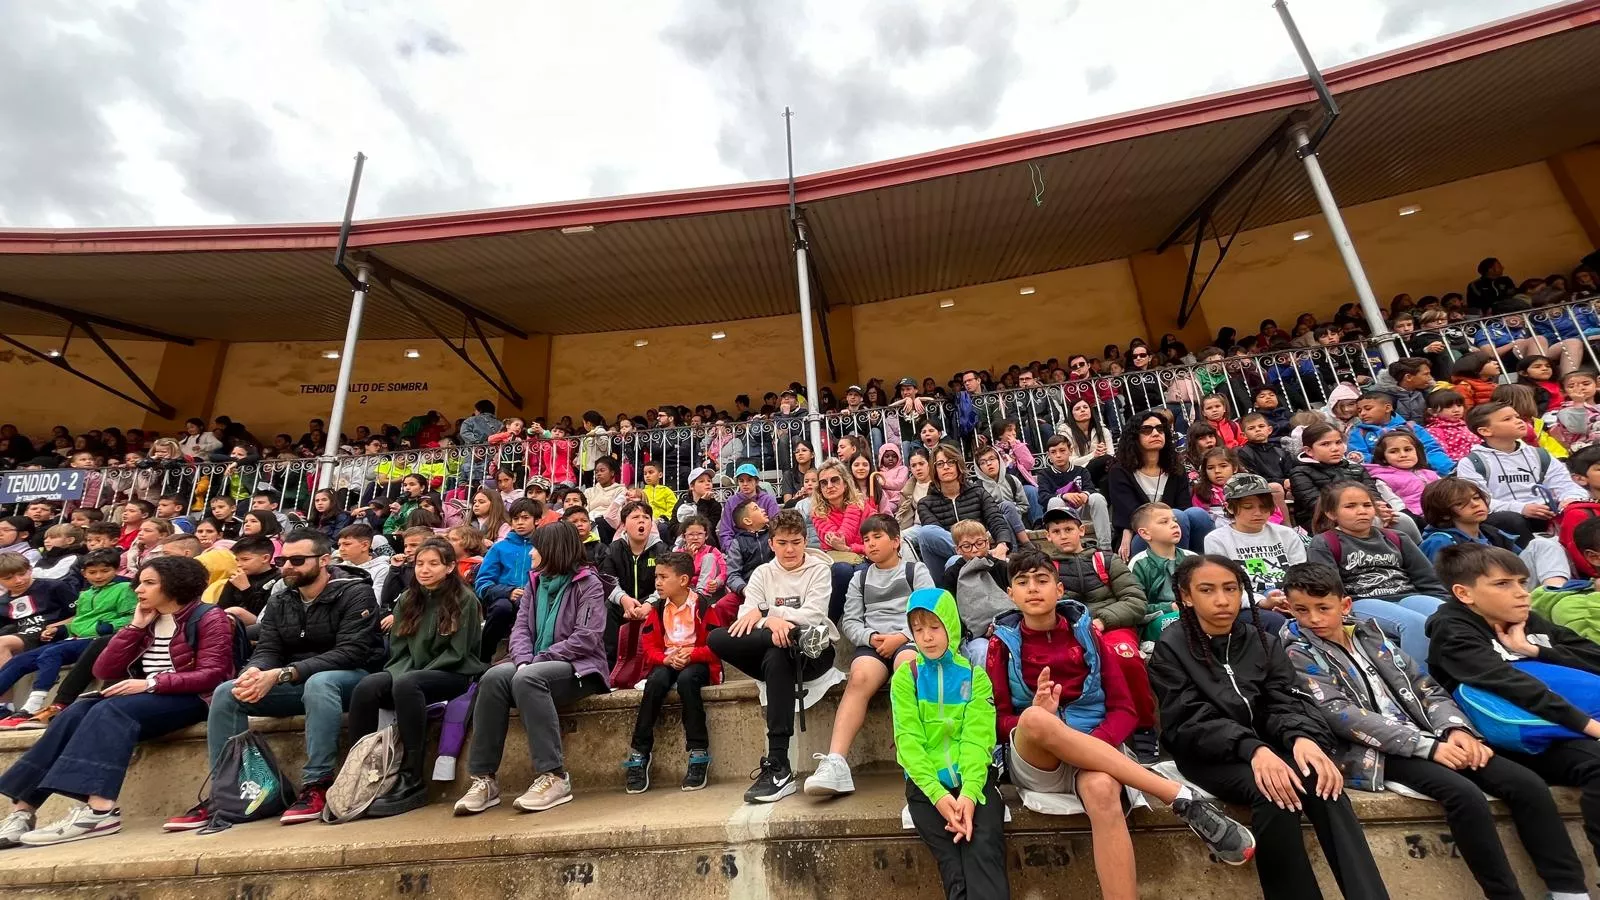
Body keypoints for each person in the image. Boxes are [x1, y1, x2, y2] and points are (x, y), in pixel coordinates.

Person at [1280, 561, 1589, 900]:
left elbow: (1426, 687)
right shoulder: (1295, 651)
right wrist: (1427, 747)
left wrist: (1457, 731)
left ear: (1345, 605)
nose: (1314, 619)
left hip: (1431, 736)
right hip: (1373, 752)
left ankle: (1568, 891)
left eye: (1323, 608)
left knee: (1526, 784)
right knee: (1463, 794)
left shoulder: (1371, 635)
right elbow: (1340, 714)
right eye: (1301, 611)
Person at [989, 547, 1254, 900]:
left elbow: (1124, 708)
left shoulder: (1089, 637)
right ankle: (1175, 796)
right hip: (1038, 758)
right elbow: (998, 720)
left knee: (1102, 791)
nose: (1033, 588)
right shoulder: (1001, 645)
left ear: (1060, 589)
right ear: (1011, 594)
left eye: (1042, 580)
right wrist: (1043, 717)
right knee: (1034, 717)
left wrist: (1092, 746)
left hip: (1097, 745)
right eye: (1022, 582)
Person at [1148, 554, 1388, 900]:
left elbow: (1285, 701)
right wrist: (1253, 749)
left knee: (1324, 783)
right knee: (1275, 794)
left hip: (1269, 746)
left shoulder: (1262, 639)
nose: (1221, 600)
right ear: (1186, 596)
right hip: (1208, 755)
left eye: (1231, 589)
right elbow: (1189, 721)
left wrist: (1302, 738)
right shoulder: (1172, 647)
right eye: (1207, 590)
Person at [0, 557, 234, 847]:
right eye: (139, 583)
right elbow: (104, 671)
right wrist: (135, 628)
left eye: (149, 583)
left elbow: (215, 674)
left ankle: (99, 811)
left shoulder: (209, 616)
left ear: (176, 585)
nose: (138, 590)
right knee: (74, 713)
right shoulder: (146, 619)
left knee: (109, 710)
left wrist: (151, 683)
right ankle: (23, 811)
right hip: (146, 696)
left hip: (193, 697)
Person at [167, 529, 386, 829]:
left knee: (320, 683)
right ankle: (230, 791)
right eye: (284, 560)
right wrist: (254, 672)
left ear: (324, 560)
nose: (288, 567)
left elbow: (352, 652)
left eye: (297, 560)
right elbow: (269, 648)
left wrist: (284, 673)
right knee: (228, 692)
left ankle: (317, 784)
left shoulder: (354, 592)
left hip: (350, 680)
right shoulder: (283, 597)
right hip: (294, 680)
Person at [1429, 543, 1600, 874]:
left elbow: (1594, 658)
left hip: (1560, 729)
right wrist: (1592, 728)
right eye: (1503, 584)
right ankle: (1568, 889)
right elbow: (1512, 686)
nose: (1523, 594)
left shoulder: (1527, 621)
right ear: (1465, 594)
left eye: (1523, 582)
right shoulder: (1452, 630)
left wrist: (1532, 649)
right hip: (1506, 737)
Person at [455, 522, 610, 816]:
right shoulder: (535, 582)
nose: (531, 554)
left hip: (580, 669)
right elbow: (521, 630)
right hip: (536, 663)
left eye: (536, 547)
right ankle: (484, 779)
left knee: (527, 677)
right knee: (493, 677)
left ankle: (554, 776)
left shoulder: (588, 583)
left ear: (553, 549)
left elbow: (587, 637)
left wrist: (537, 660)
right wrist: (525, 658)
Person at [707, 510, 840, 804]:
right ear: (771, 543)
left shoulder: (818, 570)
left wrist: (768, 614)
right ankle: (780, 769)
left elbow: (813, 615)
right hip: (780, 645)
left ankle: (778, 765)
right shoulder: (762, 573)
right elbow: (744, 617)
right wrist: (773, 625)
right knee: (717, 637)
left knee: (779, 653)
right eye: (782, 543)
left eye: (795, 542)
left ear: (805, 541)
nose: (789, 549)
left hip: (814, 651)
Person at [348, 539, 485, 817]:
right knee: (366, 687)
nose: (425, 570)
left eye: (434, 564)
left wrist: (413, 674)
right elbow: (398, 649)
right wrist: (404, 672)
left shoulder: (464, 599)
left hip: (453, 672)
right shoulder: (409, 599)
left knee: (408, 684)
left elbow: (459, 652)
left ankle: (412, 775)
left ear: (449, 567)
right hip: (410, 671)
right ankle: (359, 769)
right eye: (420, 563)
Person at [892, 587, 1009, 900]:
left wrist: (968, 796)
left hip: (975, 782)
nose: (927, 637)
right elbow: (908, 741)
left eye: (934, 627)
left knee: (983, 850)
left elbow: (978, 739)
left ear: (950, 626)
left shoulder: (974, 676)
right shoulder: (907, 677)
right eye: (918, 629)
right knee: (953, 866)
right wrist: (940, 797)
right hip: (926, 788)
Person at [808, 515, 933, 797]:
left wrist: (902, 636)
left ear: (896, 541)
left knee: (907, 668)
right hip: (873, 643)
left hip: (909, 638)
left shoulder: (917, 571)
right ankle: (836, 762)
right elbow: (851, 621)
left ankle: (919, 756)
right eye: (866, 540)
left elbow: (929, 610)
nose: (871, 544)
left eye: (877, 537)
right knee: (860, 676)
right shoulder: (859, 578)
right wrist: (870, 638)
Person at [1305, 481, 1446, 669]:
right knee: (1415, 624)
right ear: (1331, 513)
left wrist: (1445, 602)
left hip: (1407, 595)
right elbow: (1330, 587)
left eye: (1367, 505)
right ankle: (1423, 688)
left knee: (1448, 616)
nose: (1361, 511)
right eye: (1350, 506)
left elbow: (1427, 578)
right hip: (1361, 600)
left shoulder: (1397, 537)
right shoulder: (1324, 542)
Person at [621, 551, 721, 794]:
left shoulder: (704, 607)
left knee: (688, 681)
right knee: (655, 683)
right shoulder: (656, 609)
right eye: (656, 576)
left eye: (664, 577)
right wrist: (666, 658)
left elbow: (716, 647)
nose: (657, 582)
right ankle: (640, 751)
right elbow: (649, 648)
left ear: (684, 580)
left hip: (696, 660)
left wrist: (691, 655)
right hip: (667, 660)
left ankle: (698, 752)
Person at [0, 549, 133, 727]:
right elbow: (79, 621)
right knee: (19, 661)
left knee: (52, 653)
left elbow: (131, 616)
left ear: (116, 569)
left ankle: (32, 707)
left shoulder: (125, 588)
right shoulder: (86, 594)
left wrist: (107, 627)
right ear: (84, 574)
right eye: (93, 572)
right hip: (73, 638)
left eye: (105, 571)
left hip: (99, 639)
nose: (99, 576)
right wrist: (61, 629)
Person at [1458, 400, 1587, 543]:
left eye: (1517, 417)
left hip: (1545, 514)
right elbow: (1479, 503)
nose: (1519, 421)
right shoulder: (1472, 462)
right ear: (1485, 431)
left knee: (1577, 510)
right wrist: (1522, 508)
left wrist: (1570, 499)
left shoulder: (1539, 454)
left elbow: (1567, 485)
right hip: (1507, 521)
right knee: (1511, 519)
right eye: (1508, 419)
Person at [1418, 477, 1571, 587]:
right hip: (1480, 594)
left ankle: (1555, 591)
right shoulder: (1440, 541)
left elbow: (1516, 562)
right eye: (1460, 503)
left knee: (1542, 544)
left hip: (1510, 584)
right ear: (1444, 513)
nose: (1475, 505)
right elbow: (1441, 584)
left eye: (1476, 498)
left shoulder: (1490, 532)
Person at [1289, 422, 1420, 541]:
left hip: (1365, 513)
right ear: (1309, 451)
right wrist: (1363, 512)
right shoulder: (1300, 473)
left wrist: (1380, 509)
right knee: (1371, 523)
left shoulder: (1356, 468)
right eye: (1325, 444)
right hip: (1327, 522)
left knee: (1401, 520)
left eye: (1338, 442)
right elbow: (1317, 506)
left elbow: (1373, 494)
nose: (1335, 448)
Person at [1106, 411, 1212, 559]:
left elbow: (1184, 506)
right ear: (1134, 436)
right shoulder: (1120, 471)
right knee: (1177, 517)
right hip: (1142, 535)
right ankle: (1177, 571)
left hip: (1177, 530)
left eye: (1160, 429)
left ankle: (1204, 564)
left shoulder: (1176, 469)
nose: (1155, 433)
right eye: (1147, 430)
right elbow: (1131, 514)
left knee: (1198, 515)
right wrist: (1127, 530)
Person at [914, 444, 1015, 589]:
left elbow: (996, 519)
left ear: (958, 465)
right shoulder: (925, 504)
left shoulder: (978, 493)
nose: (946, 467)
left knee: (955, 561)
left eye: (950, 462)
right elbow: (936, 538)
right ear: (934, 469)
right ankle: (970, 550)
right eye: (940, 464)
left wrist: (1002, 545)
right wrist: (970, 548)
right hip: (947, 561)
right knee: (927, 533)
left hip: (981, 557)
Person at [475, 498, 541, 661]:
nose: (519, 523)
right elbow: (482, 582)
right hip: (501, 598)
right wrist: (508, 592)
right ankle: (484, 657)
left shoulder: (543, 546)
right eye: (516, 519)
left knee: (525, 606)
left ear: (537, 520)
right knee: (502, 608)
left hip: (533, 598)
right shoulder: (499, 547)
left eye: (525, 518)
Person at [948, 520, 1011, 666]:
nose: (975, 549)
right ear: (958, 549)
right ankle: (984, 688)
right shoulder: (952, 574)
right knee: (981, 651)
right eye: (967, 546)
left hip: (1008, 627)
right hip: (974, 636)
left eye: (979, 543)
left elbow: (1017, 598)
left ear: (988, 543)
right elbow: (951, 610)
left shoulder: (1001, 567)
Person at [1347, 391, 1455, 476]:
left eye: (1368, 408)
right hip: (1386, 478)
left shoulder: (1411, 427)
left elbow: (1431, 449)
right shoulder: (1359, 433)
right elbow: (1360, 458)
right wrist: (1390, 464)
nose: (1363, 414)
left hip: (1423, 473)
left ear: (1388, 408)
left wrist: (1448, 468)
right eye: (1359, 411)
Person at [717, 464, 781, 549]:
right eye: (741, 481)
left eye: (749, 480)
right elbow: (726, 531)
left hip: (766, 545)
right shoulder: (731, 502)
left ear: (757, 481)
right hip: (740, 547)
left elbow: (777, 525)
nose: (745, 484)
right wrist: (732, 549)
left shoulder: (768, 500)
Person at [336, 522, 392, 599]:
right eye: (339, 545)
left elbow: (375, 600)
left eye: (347, 544)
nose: (341, 549)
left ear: (365, 545)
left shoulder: (382, 569)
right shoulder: (339, 568)